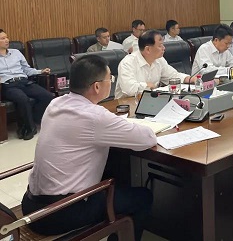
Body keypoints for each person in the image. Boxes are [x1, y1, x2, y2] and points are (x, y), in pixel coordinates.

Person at [21, 55, 156, 241]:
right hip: (60, 212)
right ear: (97, 87)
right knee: (143, 197)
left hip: (31, 205)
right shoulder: (95, 116)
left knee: (113, 171)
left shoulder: (55, 103)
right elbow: (147, 138)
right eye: (110, 78)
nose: (111, 82)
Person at [0, 29, 54, 140]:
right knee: (22, 99)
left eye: (7, 37)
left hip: (24, 81)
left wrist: (40, 71)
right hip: (8, 85)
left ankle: (34, 119)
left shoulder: (16, 52)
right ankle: (30, 128)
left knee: (47, 96)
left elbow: (27, 69)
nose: (7, 40)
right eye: (3, 38)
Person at [115, 30, 193, 98]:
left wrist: (189, 79)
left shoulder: (159, 60)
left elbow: (172, 76)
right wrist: (147, 86)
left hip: (149, 100)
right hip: (126, 104)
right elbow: (129, 89)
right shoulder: (127, 63)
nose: (164, 48)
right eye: (160, 46)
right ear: (148, 49)